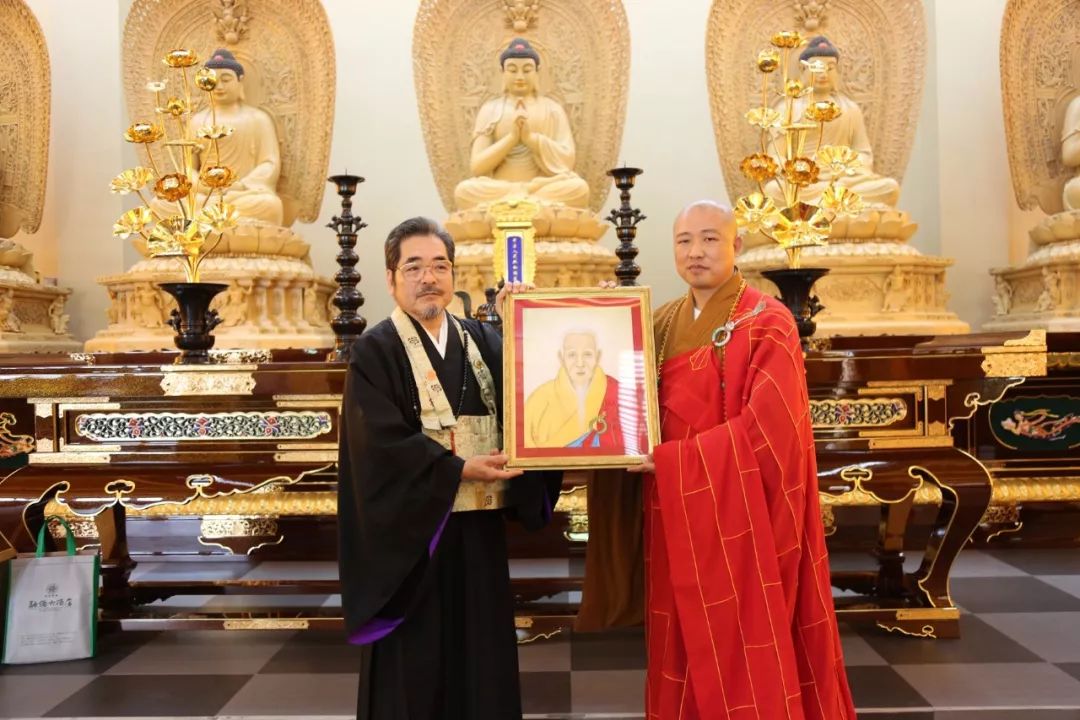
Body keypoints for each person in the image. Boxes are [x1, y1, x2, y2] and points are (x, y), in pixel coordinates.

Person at [580, 201, 856, 719]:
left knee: (743, 637)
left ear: (737, 246)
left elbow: (771, 434)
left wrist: (675, 461)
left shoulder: (768, 321)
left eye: (709, 239)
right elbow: (611, 389)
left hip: (740, 516)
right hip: (673, 508)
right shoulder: (659, 322)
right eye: (684, 241)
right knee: (677, 632)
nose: (695, 252)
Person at [337, 216, 561, 720]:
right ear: (392, 278)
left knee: (480, 653)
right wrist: (457, 469)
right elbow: (378, 443)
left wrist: (527, 322)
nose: (428, 277)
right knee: (415, 668)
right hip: (413, 539)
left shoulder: (481, 339)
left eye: (440, 265)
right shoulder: (376, 350)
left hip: (477, 532)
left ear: (454, 275)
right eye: (412, 266)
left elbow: (530, 391)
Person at [453, 37, 590, 210]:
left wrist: (530, 139)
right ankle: (523, 195)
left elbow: (566, 161)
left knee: (578, 188)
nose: (520, 76)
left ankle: (518, 198)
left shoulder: (552, 109)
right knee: (464, 191)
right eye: (512, 70)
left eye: (527, 70)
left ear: (537, 72)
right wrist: (511, 138)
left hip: (543, 186)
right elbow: (477, 166)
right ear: (502, 72)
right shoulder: (490, 109)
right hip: (502, 188)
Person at [523, 328, 625, 450]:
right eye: (572, 354)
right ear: (561, 357)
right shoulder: (538, 401)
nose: (580, 363)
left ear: (598, 357)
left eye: (587, 354)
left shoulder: (619, 394)